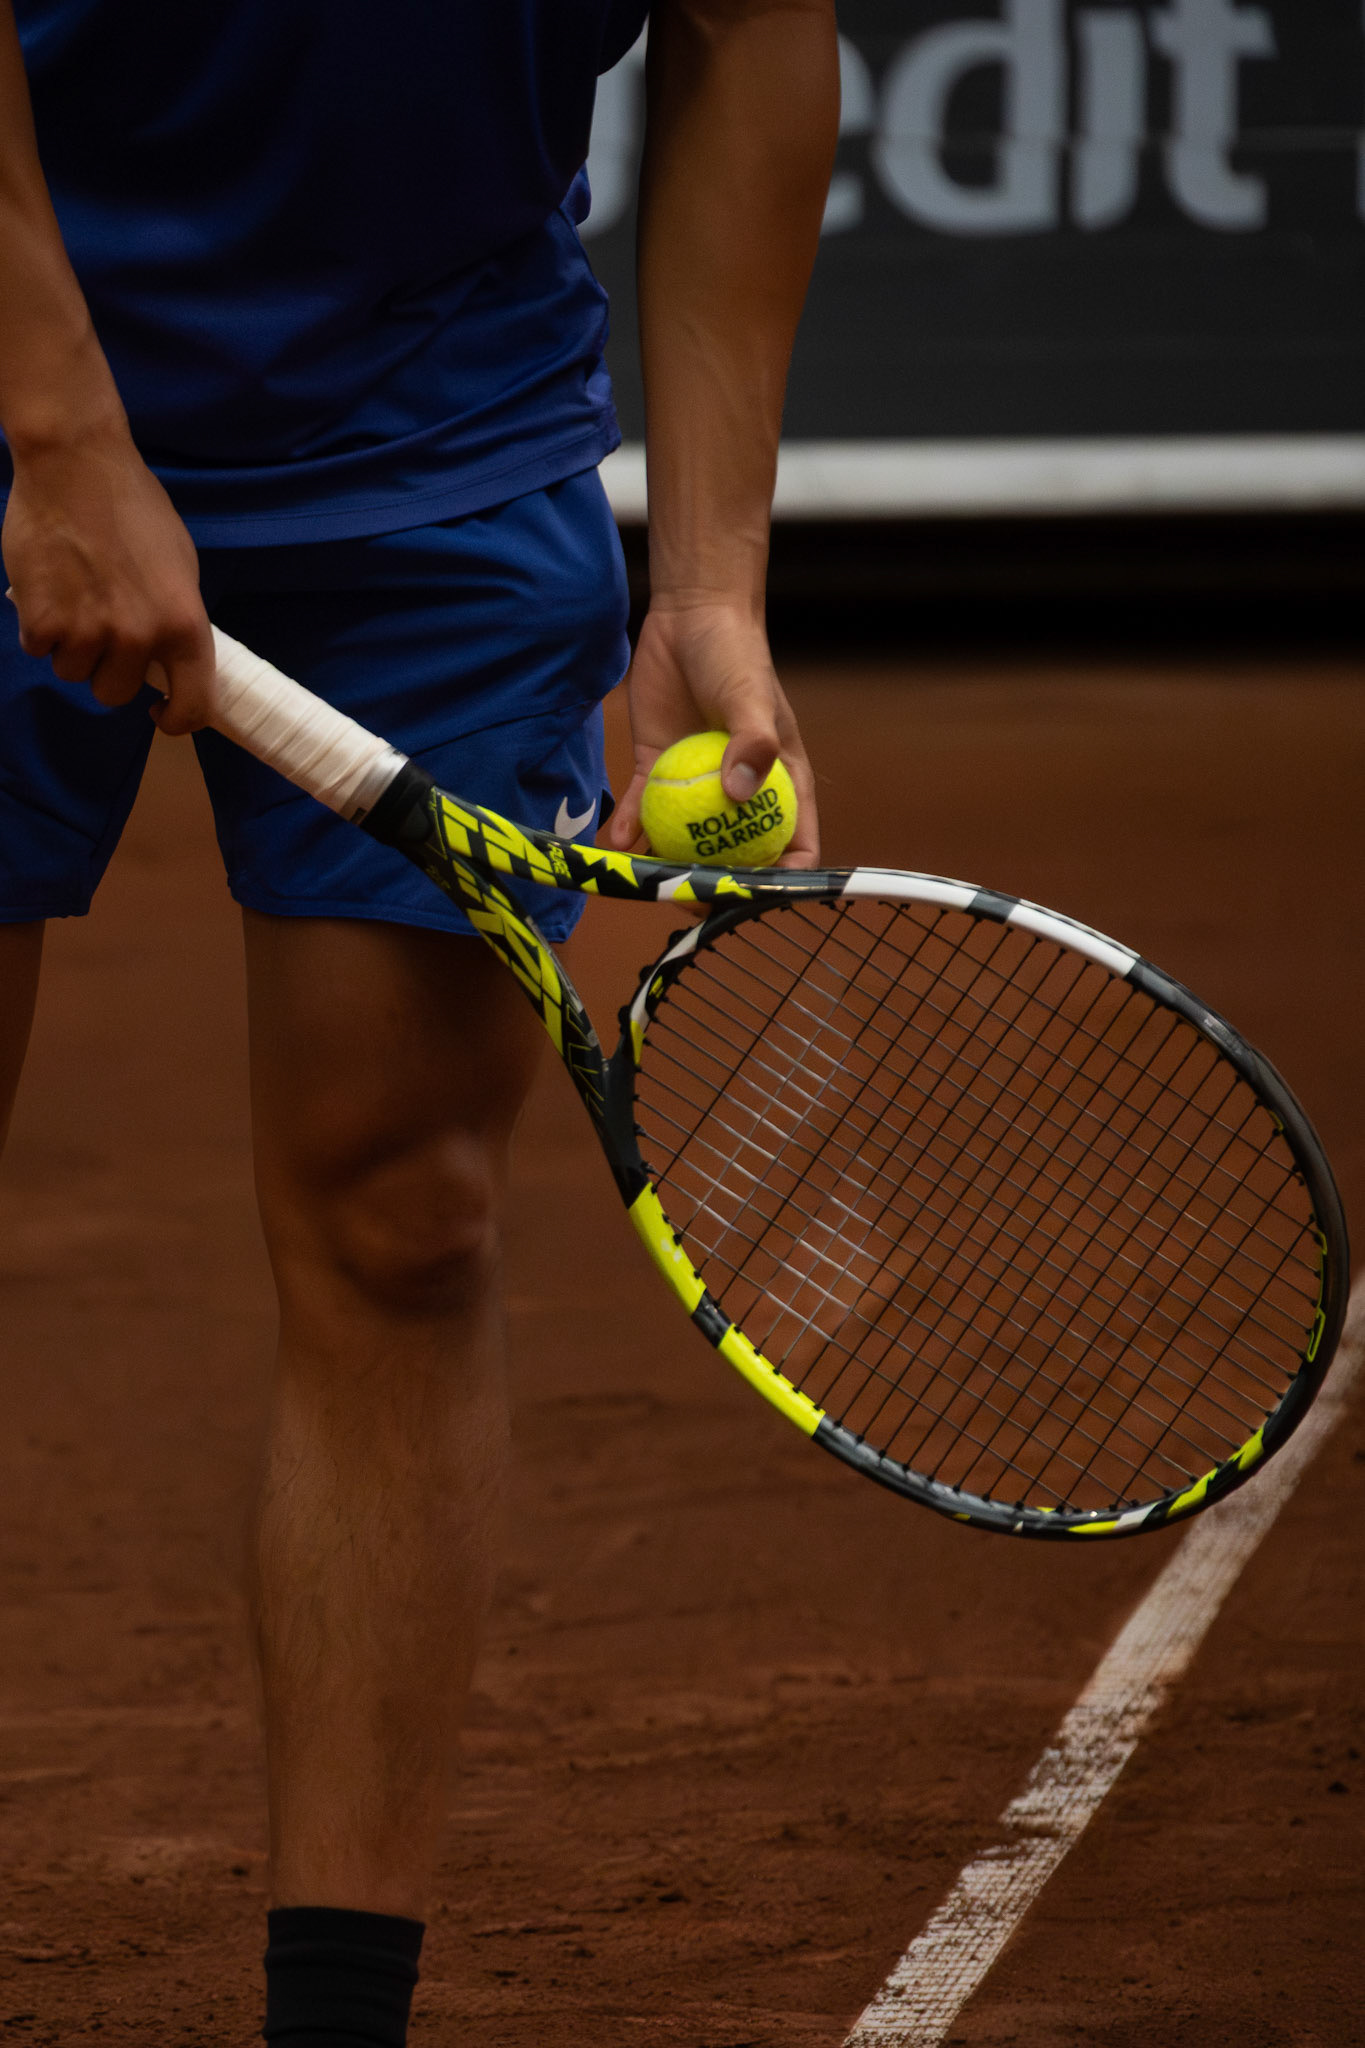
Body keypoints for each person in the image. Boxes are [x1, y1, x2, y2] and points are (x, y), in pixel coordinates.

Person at [0, 1, 839, 2039]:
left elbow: (750, 22)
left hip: (436, 434)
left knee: (407, 1213)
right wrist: (66, 439)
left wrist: (709, 586)